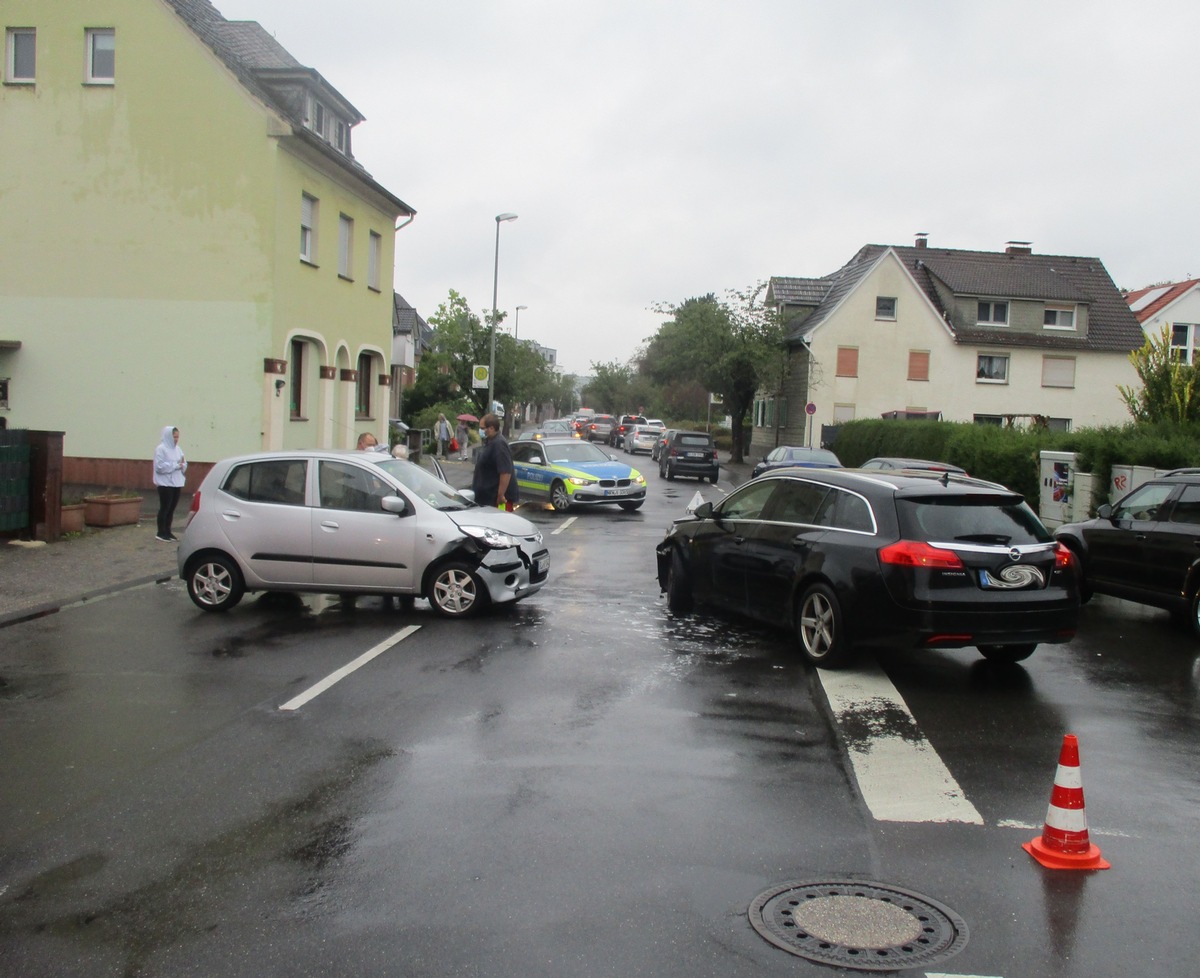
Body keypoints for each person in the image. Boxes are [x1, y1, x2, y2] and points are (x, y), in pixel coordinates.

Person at [471, 413, 518, 509]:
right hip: (487, 500)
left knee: (499, 524)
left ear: (491, 428)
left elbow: (505, 472)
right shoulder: (491, 442)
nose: (480, 431)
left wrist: (500, 495)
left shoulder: (499, 444)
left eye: (482, 428)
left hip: (498, 502)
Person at [153, 425, 187, 542]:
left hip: (176, 482)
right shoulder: (160, 449)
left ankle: (168, 531)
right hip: (165, 484)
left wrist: (182, 466)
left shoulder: (178, 449)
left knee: (172, 508)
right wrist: (176, 466)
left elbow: (184, 462)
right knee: (165, 508)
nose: (176, 439)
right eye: (174, 437)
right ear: (168, 436)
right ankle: (161, 532)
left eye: (177, 437)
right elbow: (159, 467)